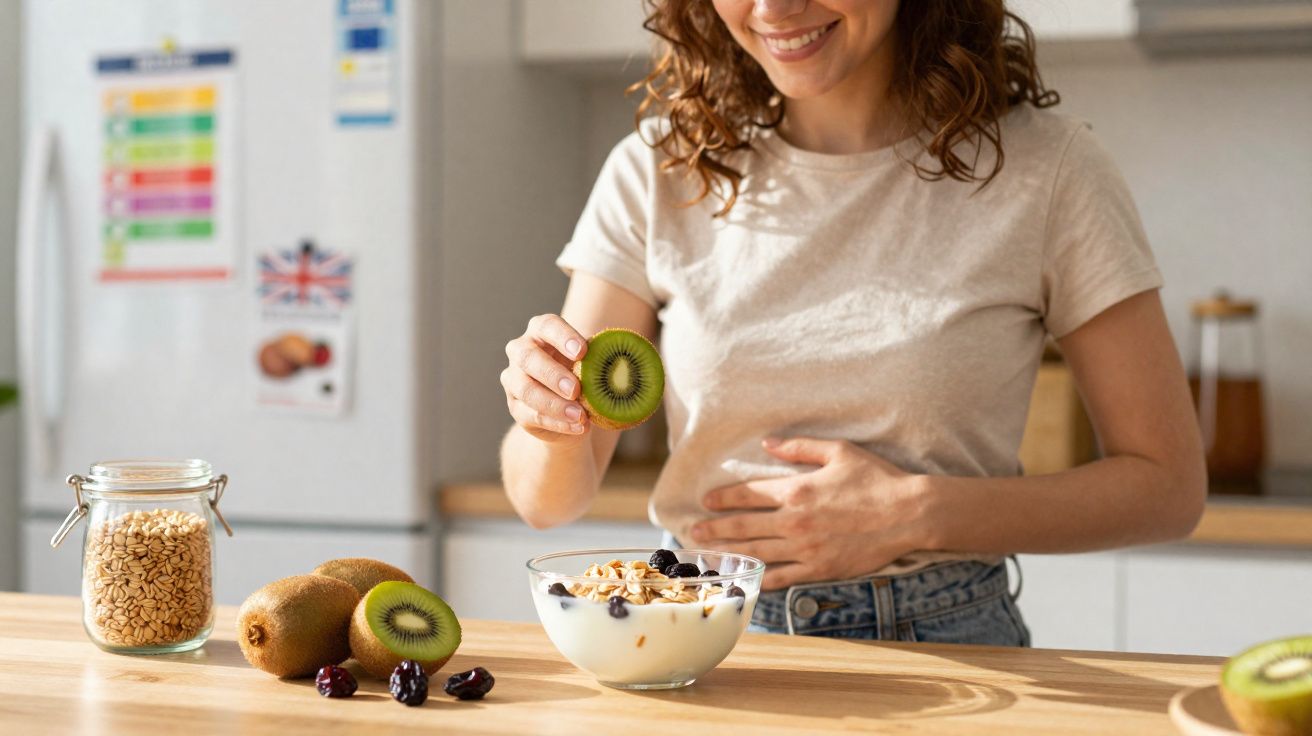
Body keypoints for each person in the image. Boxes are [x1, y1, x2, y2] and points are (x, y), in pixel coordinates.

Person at [499, 0, 1206, 644]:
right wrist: (544, 416)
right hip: (704, 640)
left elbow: (1167, 487)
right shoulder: (657, 170)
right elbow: (545, 500)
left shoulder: (1050, 171)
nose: (773, 8)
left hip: (948, 647)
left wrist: (920, 511)